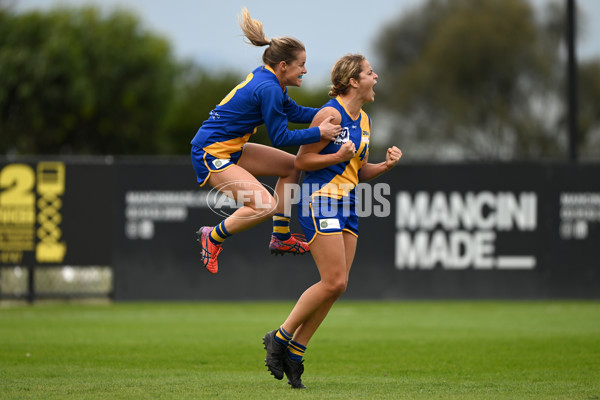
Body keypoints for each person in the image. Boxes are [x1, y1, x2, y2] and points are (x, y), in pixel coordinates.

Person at [262, 54, 402, 389]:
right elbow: (302, 160)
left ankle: (296, 351)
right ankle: (279, 338)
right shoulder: (330, 114)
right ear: (354, 81)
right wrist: (336, 155)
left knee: (338, 286)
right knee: (334, 281)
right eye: (370, 72)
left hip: (349, 202)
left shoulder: (364, 120)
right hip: (319, 200)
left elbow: (357, 170)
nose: (376, 77)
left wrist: (383, 167)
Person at [191, 8, 341, 274]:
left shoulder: (272, 80)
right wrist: (320, 132)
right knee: (264, 206)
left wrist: (332, 112)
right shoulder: (270, 87)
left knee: (293, 166)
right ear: (283, 66)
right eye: (301, 65)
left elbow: (294, 112)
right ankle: (212, 236)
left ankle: (281, 237)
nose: (305, 70)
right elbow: (281, 137)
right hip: (210, 153)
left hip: (230, 148)